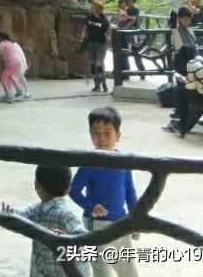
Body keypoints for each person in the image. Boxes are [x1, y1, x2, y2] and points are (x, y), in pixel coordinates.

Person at [70, 106, 140, 277]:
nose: (101, 138)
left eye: (107, 133)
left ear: (118, 135)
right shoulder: (89, 162)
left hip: (121, 223)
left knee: (129, 271)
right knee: (102, 273)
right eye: (96, 133)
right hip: (97, 226)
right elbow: (74, 190)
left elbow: (130, 191)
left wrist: (137, 220)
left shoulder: (124, 161)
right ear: (90, 134)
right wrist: (91, 206)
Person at [2, 165, 91, 277]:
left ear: (36, 185)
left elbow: (20, 220)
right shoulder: (46, 211)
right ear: (68, 190)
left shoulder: (47, 212)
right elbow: (87, 242)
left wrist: (8, 216)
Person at [167, 34, 203, 138]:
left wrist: (183, 80)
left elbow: (191, 83)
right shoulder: (202, 59)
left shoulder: (191, 63)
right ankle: (181, 124)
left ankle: (182, 126)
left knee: (182, 93)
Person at [164, 6, 197, 132]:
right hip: (181, 64)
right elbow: (173, 19)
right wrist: (176, 17)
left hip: (191, 64)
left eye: (188, 19)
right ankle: (179, 117)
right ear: (179, 19)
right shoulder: (177, 31)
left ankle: (183, 117)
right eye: (184, 20)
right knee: (181, 91)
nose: (187, 22)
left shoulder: (190, 30)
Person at [0, 30, 30, 101]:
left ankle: (9, 95)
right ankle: (19, 89)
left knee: (3, 78)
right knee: (10, 75)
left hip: (12, 64)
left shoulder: (1, 45)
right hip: (17, 63)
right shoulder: (9, 42)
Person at [80, 1, 110, 93]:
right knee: (92, 65)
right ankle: (97, 85)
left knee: (99, 64)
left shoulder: (104, 20)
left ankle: (104, 84)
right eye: (92, 7)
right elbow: (85, 28)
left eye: (95, 7)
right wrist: (82, 37)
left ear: (99, 9)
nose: (93, 9)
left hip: (101, 44)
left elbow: (107, 31)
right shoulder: (89, 18)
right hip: (91, 43)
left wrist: (109, 38)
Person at [124, 0, 146, 81]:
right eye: (127, 1)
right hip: (125, 34)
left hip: (134, 34)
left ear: (133, 2)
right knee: (124, 54)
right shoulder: (125, 10)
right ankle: (126, 73)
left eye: (130, 1)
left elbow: (133, 20)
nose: (128, 3)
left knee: (136, 54)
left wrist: (125, 28)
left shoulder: (135, 10)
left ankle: (142, 72)